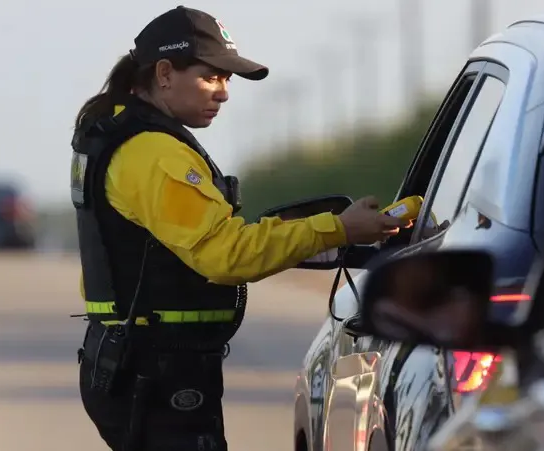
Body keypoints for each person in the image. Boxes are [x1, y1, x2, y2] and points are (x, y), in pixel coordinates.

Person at [69, 5, 407, 451]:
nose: (224, 93)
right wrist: (335, 230)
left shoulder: (119, 131)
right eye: (211, 77)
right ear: (165, 73)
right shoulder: (153, 154)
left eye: (227, 80)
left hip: (139, 364)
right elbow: (226, 254)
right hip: (157, 372)